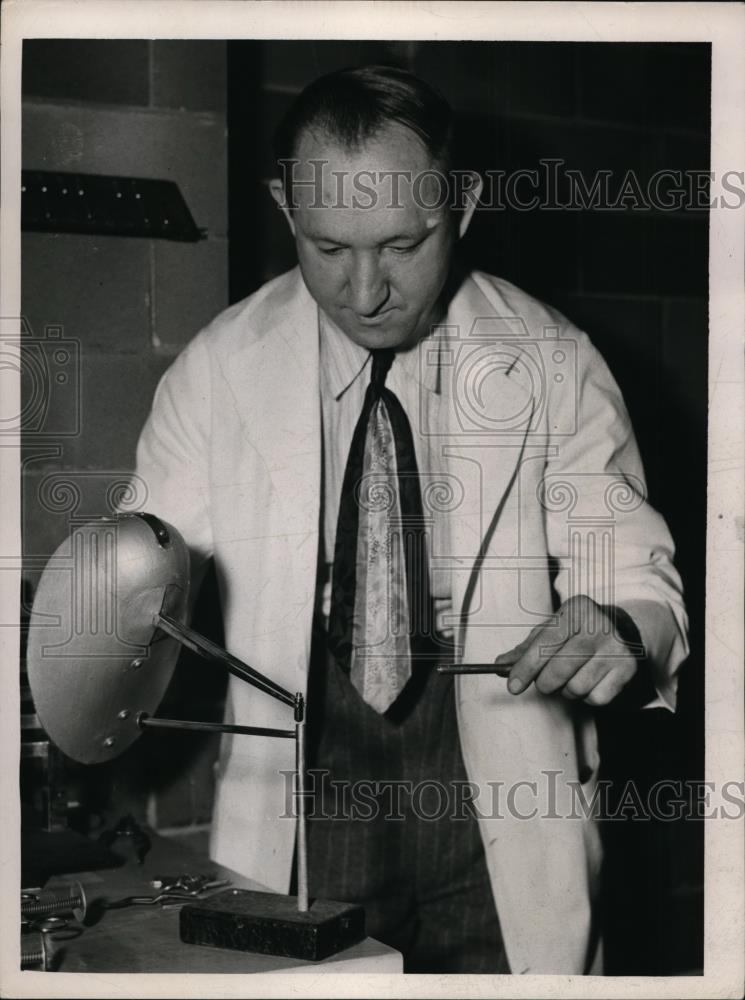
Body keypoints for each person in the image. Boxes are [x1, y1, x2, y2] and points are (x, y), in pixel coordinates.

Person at [131, 66, 689, 974]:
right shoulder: (214, 370)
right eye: (326, 248)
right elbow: (142, 576)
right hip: (308, 798)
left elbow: (634, 577)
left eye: (402, 244)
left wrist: (619, 625)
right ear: (283, 207)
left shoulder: (555, 361)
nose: (363, 291)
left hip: (496, 801)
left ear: (462, 206)